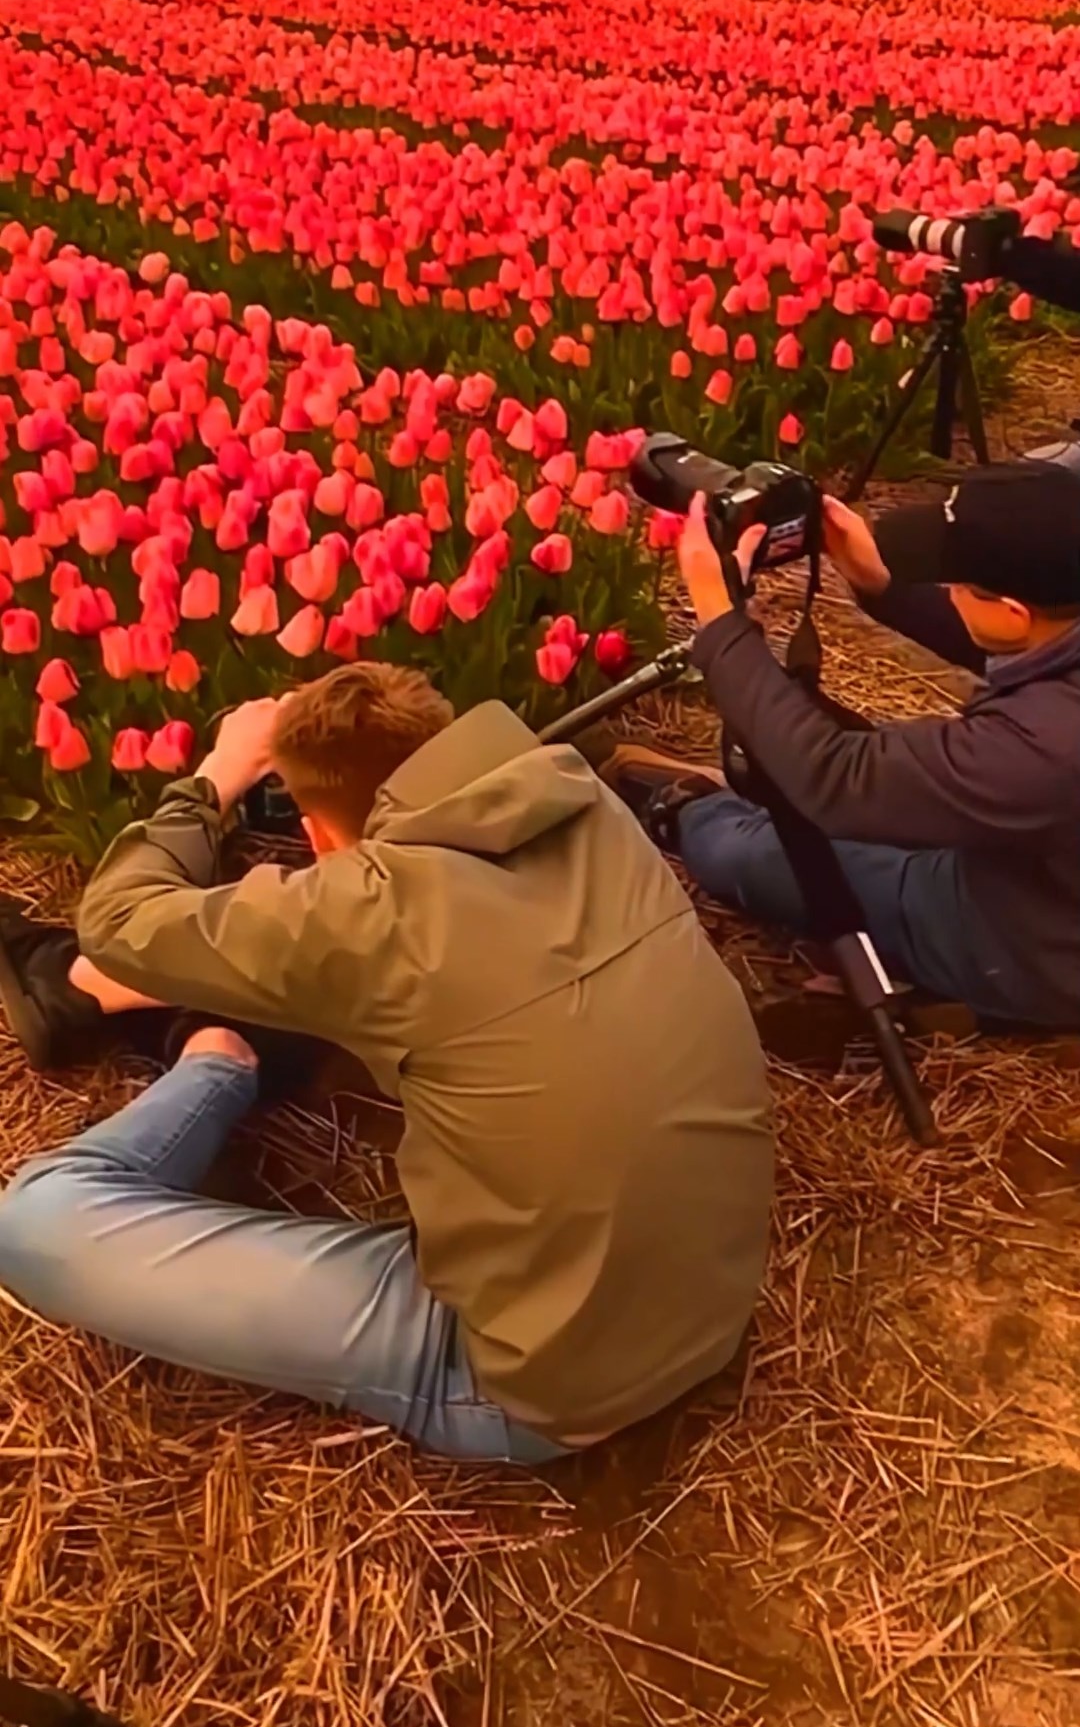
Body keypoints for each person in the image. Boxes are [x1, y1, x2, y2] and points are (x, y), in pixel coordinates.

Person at [0, 663, 773, 1463]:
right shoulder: (594, 814)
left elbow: (119, 918)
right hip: (709, 1305)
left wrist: (219, 774)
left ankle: (210, 1060)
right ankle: (114, 1001)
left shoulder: (374, 915)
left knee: (38, 1218)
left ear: (318, 836)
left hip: (535, 1385)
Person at [608, 459, 1080, 1031]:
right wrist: (882, 585)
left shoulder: (1042, 747)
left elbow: (834, 777)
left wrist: (719, 622)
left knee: (748, 855)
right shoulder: (1049, 681)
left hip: (1025, 946)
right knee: (872, 773)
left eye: (957, 583)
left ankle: (690, 808)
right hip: (1040, 873)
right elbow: (1026, 649)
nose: (948, 591)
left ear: (1014, 613)